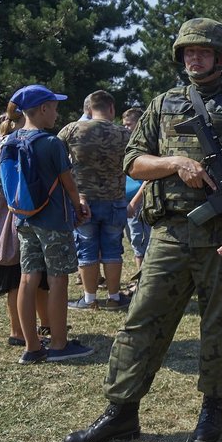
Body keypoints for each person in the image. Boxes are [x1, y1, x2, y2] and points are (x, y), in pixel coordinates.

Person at [62, 18, 222, 442]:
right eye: (187, 52)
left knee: (220, 327)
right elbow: (133, 161)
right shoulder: (162, 104)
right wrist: (176, 163)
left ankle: (211, 410)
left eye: (202, 51)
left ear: (220, 57)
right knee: (141, 322)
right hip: (170, 235)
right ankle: (121, 414)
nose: (193, 58)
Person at [5, 85, 93, 364]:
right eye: (54, 107)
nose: (57, 112)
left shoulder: (10, 139)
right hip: (53, 220)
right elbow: (68, 183)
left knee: (28, 278)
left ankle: (32, 347)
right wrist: (79, 206)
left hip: (24, 218)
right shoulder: (52, 143)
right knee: (57, 279)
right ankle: (58, 344)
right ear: (43, 108)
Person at [58, 90, 131, 311]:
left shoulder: (72, 130)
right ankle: (114, 297)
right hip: (115, 199)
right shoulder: (124, 134)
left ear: (88, 109)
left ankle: (89, 299)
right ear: (111, 109)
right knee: (112, 250)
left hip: (82, 201)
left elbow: (54, 157)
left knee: (86, 249)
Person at [0, 112, 51, 346]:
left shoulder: (0, 147)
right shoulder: (15, 146)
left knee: (27, 274)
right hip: (19, 217)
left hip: (13, 216)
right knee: (20, 275)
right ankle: (19, 332)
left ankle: (41, 324)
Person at [121, 107, 150, 276]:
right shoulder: (126, 144)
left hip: (138, 202)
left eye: (128, 124)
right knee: (133, 240)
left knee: (140, 240)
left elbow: (149, 178)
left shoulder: (145, 144)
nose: (125, 128)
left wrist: (134, 202)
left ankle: (142, 280)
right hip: (124, 201)